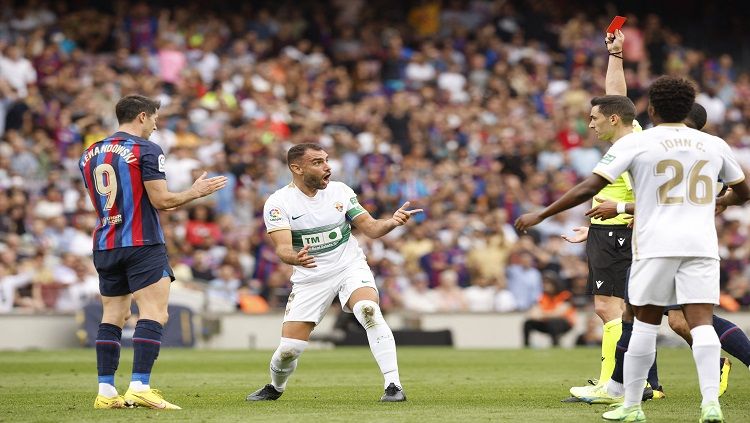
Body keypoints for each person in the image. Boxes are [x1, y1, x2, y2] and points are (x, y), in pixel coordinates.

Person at [516, 75, 750, 422]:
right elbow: (743, 192)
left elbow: (589, 187)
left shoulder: (639, 142)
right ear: (689, 108)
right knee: (700, 324)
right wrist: (722, 201)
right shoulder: (714, 145)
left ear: (651, 109)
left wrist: (543, 213)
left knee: (641, 322)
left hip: (655, 245)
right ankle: (710, 404)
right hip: (701, 246)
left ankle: (632, 405)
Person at [80, 94, 228, 409]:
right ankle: (139, 387)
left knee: (114, 315)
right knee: (155, 313)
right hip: (142, 242)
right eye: (156, 118)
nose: (157, 125)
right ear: (143, 116)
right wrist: (195, 192)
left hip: (106, 241)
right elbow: (161, 201)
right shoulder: (146, 149)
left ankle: (105, 392)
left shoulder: (90, 152)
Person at [247, 143, 422, 402]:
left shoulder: (340, 191)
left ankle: (393, 385)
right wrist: (296, 257)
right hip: (311, 277)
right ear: (297, 168)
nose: (327, 167)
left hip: (348, 265)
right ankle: (275, 387)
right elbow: (283, 249)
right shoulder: (278, 202)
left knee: (368, 310)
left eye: (326, 160)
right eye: (317, 162)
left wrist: (391, 223)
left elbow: (371, 228)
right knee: (289, 350)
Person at [522, 273, 576, 347]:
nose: (545, 285)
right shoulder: (543, 296)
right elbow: (533, 313)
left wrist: (542, 314)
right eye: (544, 283)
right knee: (528, 323)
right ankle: (526, 345)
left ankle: (555, 344)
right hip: (547, 321)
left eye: (547, 283)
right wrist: (546, 314)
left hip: (565, 323)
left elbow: (559, 313)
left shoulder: (565, 295)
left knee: (553, 322)